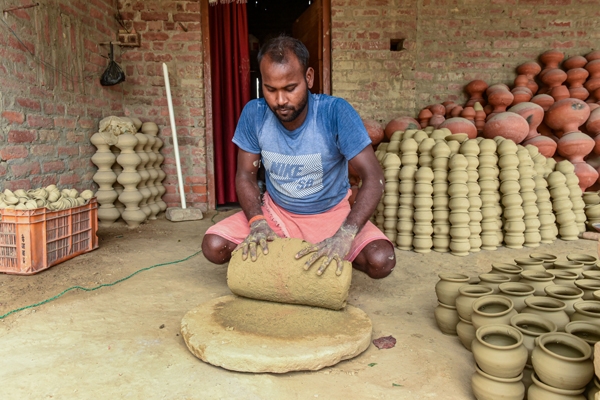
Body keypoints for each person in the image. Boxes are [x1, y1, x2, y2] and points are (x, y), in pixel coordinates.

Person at [202, 35, 395, 279]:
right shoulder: (254, 114)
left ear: (309, 78)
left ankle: (307, 256)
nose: (280, 100)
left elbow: (373, 177)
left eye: (290, 88)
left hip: (330, 215)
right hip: (277, 214)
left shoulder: (335, 112)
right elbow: (245, 175)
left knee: (381, 260)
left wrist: (345, 235)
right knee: (214, 246)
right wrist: (257, 222)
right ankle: (291, 255)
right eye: (271, 90)